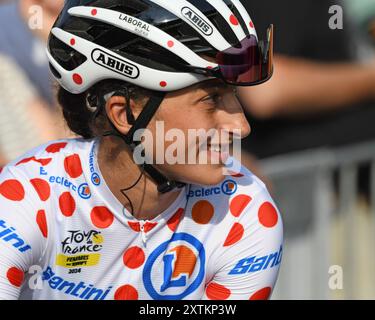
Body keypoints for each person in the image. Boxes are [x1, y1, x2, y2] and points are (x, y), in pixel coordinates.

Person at [0, 0, 283, 300]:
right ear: (124, 115)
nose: (241, 127)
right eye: (212, 99)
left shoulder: (246, 211)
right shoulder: (28, 197)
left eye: (234, 94)